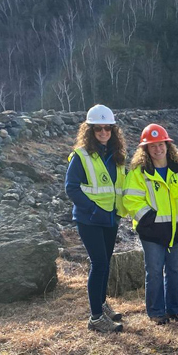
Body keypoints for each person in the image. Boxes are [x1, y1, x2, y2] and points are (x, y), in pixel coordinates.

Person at [64, 104, 127, 333]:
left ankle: (101, 304)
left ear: (113, 130)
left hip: (110, 218)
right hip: (89, 220)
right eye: (98, 129)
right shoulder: (81, 156)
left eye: (107, 128)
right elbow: (71, 188)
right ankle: (96, 318)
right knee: (99, 264)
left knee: (105, 263)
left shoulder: (116, 155)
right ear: (89, 131)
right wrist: (92, 210)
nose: (103, 133)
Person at [123, 124, 178, 325]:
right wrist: (148, 219)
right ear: (145, 149)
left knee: (173, 272)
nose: (157, 149)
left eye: (160, 144)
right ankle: (156, 312)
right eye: (152, 146)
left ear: (167, 146)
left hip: (176, 232)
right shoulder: (138, 173)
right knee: (153, 273)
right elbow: (130, 200)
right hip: (151, 233)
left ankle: (174, 310)